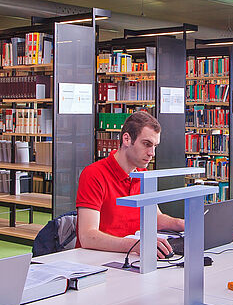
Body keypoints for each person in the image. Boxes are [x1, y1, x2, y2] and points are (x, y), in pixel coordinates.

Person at [75, 109, 183, 257]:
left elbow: (155, 218)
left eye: (155, 146)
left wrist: (182, 224)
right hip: (98, 260)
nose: (152, 153)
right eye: (146, 144)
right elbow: (87, 236)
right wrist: (135, 245)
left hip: (130, 257)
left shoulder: (142, 175)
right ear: (126, 139)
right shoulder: (94, 174)